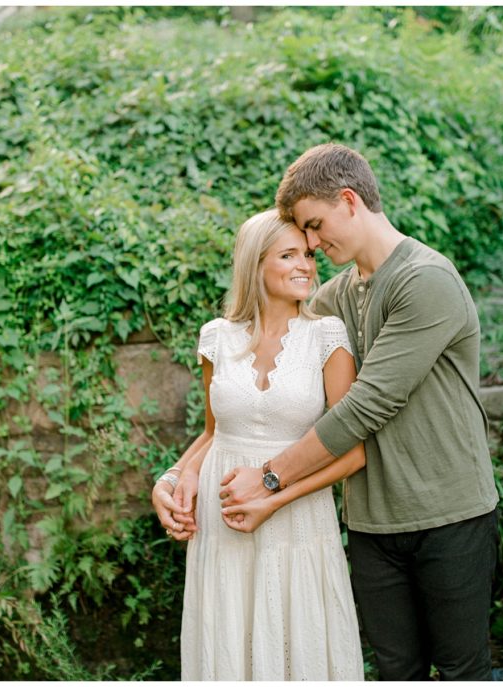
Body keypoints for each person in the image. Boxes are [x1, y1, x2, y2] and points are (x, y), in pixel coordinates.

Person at [219, 143, 500, 681]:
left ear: (350, 200)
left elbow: (366, 406)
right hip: (372, 524)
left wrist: (270, 477)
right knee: (396, 672)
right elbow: (266, 348)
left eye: (315, 226)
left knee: (463, 670)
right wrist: (182, 473)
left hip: (451, 515)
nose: (311, 244)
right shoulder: (333, 298)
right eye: (302, 236)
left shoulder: (425, 280)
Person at [150, 208, 366, 681]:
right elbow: (214, 434)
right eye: (288, 254)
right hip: (221, 523)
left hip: (298, 520)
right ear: (255, 263)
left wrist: (272, 498)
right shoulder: (216, 338)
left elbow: (352, 450)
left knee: (300, 643)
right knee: (228, 646)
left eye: (308, 255)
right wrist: (168, 480)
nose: (306, 266)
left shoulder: (326, 335)